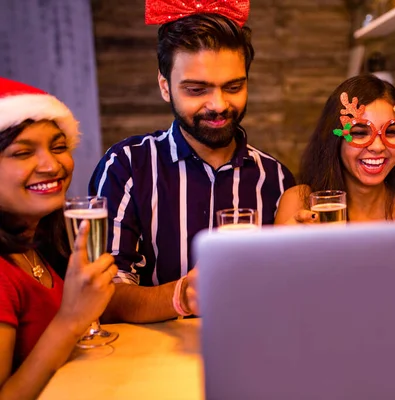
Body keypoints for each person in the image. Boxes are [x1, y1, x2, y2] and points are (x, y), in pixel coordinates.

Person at [89, 0, 295, 323]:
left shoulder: (277, 179)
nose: (218, 104)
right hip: (150, 364)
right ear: (164, 87)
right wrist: (181, 296)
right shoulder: (127, 167)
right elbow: (102, 295)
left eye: (234, 87)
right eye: (197, 89)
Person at [0, 78, 117, 399]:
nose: (51, 165)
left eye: (58, 146)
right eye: (22, 152)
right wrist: (71, 319)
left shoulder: (38, 243)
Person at [275, 74, 395, 224]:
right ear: (335, 141)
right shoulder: (299, 203)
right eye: (360, 133)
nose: (378, 146)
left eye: (391, 132)